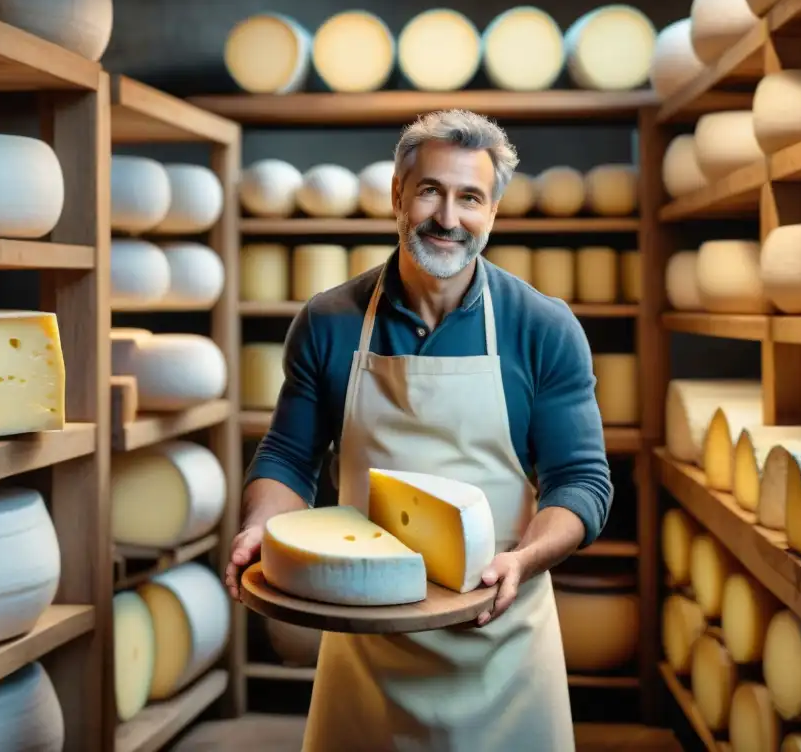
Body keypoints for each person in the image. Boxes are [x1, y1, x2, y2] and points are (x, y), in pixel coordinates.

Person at [225, 108, 613, 751]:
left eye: (471, 198)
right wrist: (262, 525)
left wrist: (522, 560)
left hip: (501, 640)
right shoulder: (328, 321)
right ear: (398, 196)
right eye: (430, 190)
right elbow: (289, 457)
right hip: (366, 644)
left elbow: (581, 482)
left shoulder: (543, 326)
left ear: (492, 213)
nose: (448, 218)